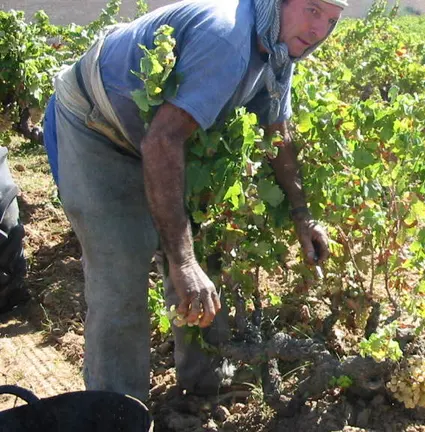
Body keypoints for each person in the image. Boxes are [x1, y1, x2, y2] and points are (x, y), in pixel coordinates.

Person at [40, 0, 341, 401]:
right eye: (312, 10)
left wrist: (302, 216)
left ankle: (205, 386)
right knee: (122, 267)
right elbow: (162, 141)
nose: (319, 29)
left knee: (205, 255)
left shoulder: (279, 51)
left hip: (162, 136)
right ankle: (115, 410)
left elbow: (276, 132)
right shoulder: (227, 38)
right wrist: (180, 261)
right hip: (99, 127)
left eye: (332, 20)